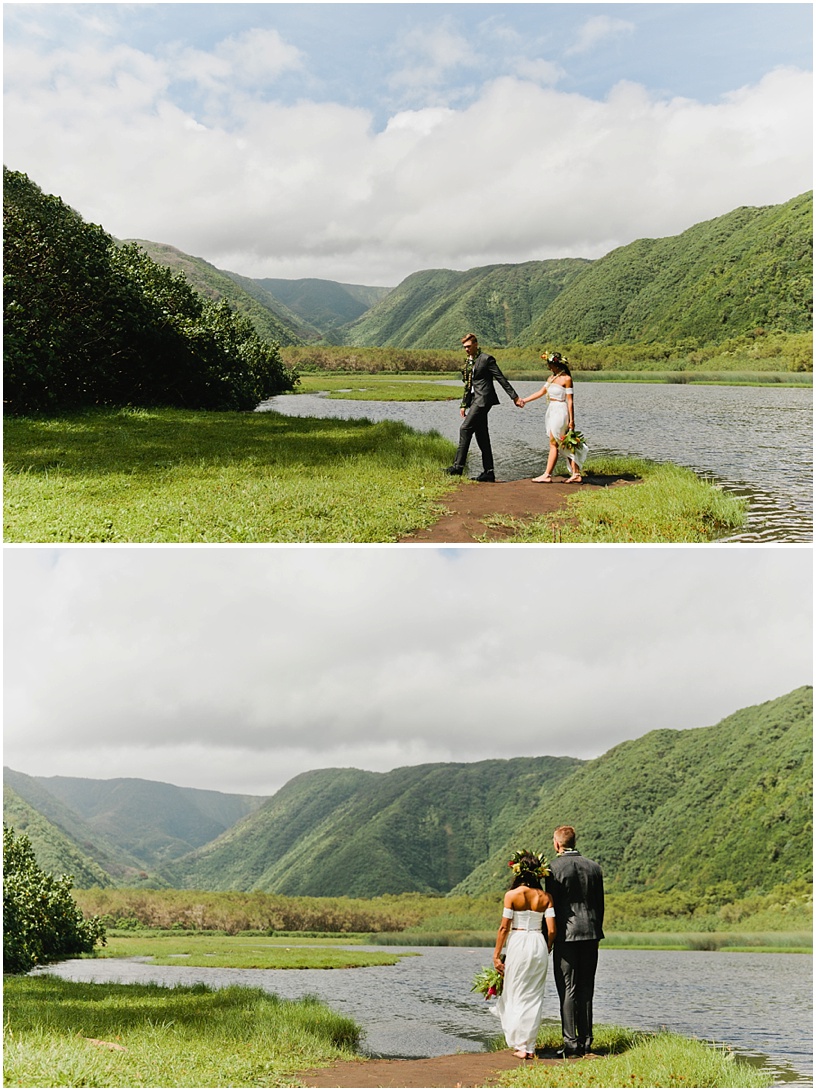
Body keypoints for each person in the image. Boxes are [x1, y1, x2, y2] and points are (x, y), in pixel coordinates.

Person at [491, 850, 557, 1059]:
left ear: (518, 872)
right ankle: (529, 1046)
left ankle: (521, 1045)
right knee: (534, 995)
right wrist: (547, 946)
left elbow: (504, 928)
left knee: (516, 991)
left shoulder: (511, 896)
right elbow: (553, 930)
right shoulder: (546, 897)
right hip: (538, 941)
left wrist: (496, 955)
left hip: (518, 942)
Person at [547, 825, 605, 1058]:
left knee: (567, 988)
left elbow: (551, 907)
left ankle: (571, 1045)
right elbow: (599, 905)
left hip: (566, 936)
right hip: (591, 933)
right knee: (586, 987)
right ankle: (586, 1041)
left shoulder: (553, 868)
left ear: (558, 844)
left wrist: (548, 938)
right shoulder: (594, 867)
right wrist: (595, 928)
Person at [443, 333, 524, 482]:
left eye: (468, 346)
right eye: (464, 347)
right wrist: (464, 404)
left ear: (476, 344)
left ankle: (457, 468)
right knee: (482, 436)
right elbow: (468, 385)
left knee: (464, 429)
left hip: (483, 400)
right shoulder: (469, 361)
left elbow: (501, 378)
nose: (466, 349)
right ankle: (489, 472)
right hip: (474, 400)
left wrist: (515, 397)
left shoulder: (486, 359)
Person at [519, 352, 588, 483]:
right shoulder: (551, 378)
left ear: (556, 364)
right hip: (551, 410)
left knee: (554, 443)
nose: (549, 367)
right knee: (562, 443)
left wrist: (572, 422)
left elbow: (570, 401)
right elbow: (541, 392)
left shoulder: (566, 379)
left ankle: (547, 474)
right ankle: (576, 473)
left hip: (561, 411)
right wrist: (524, 401)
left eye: (550, 364)